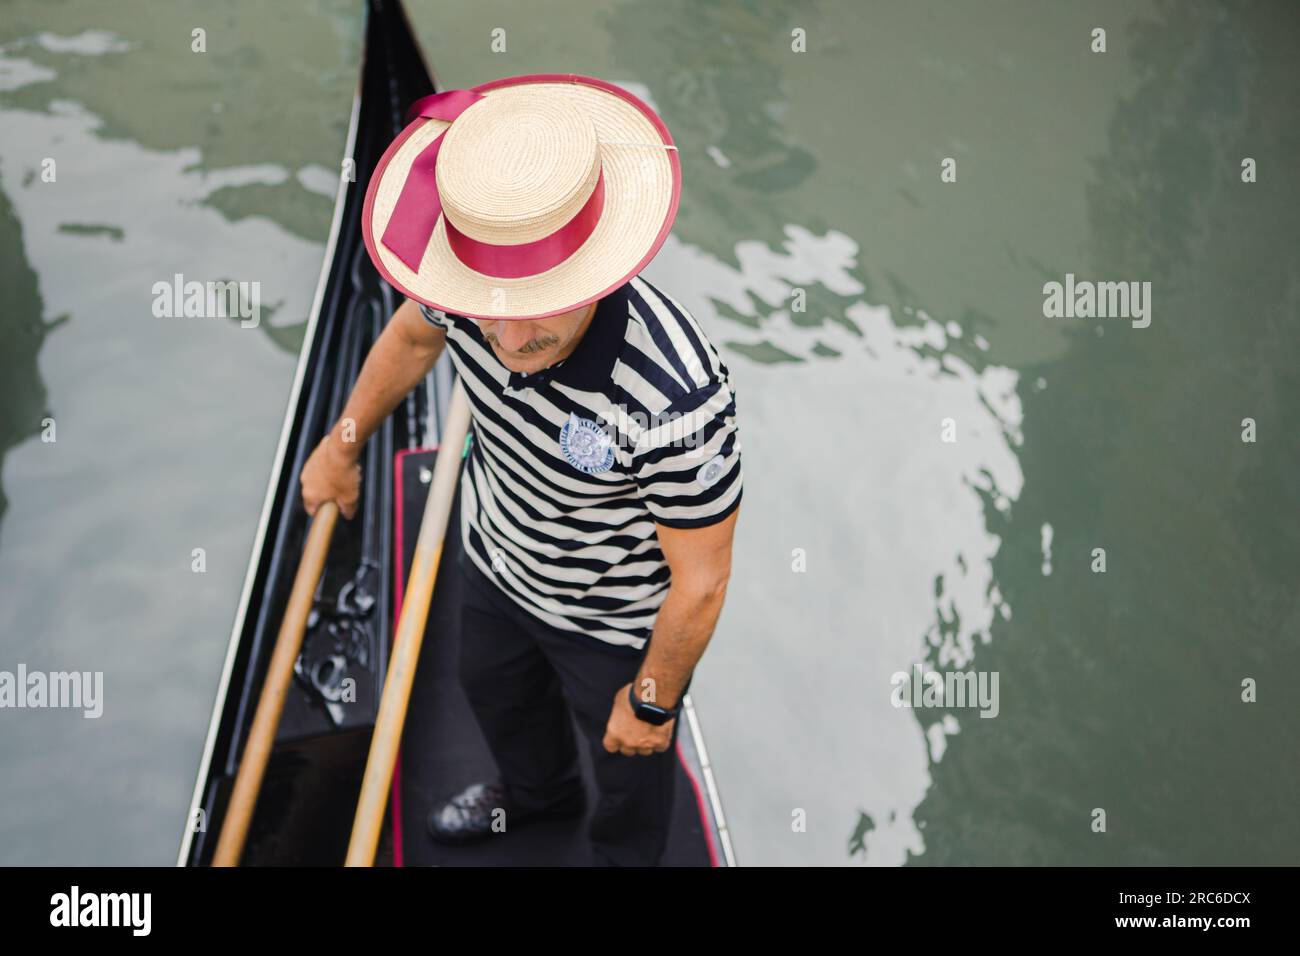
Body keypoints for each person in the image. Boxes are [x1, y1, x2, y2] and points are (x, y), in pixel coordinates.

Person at [300, 73, 742, 865]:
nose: (503, 334)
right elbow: (409, 338)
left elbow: (702, 580)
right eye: (486, 299)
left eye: (537, 298)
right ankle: (538, 798)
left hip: (613, 622)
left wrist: (650, 700)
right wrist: (342, 443)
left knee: (631, 773)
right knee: (495, 697)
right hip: (495, 560)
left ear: (596, 272)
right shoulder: (463, 288)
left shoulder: (679, 399)